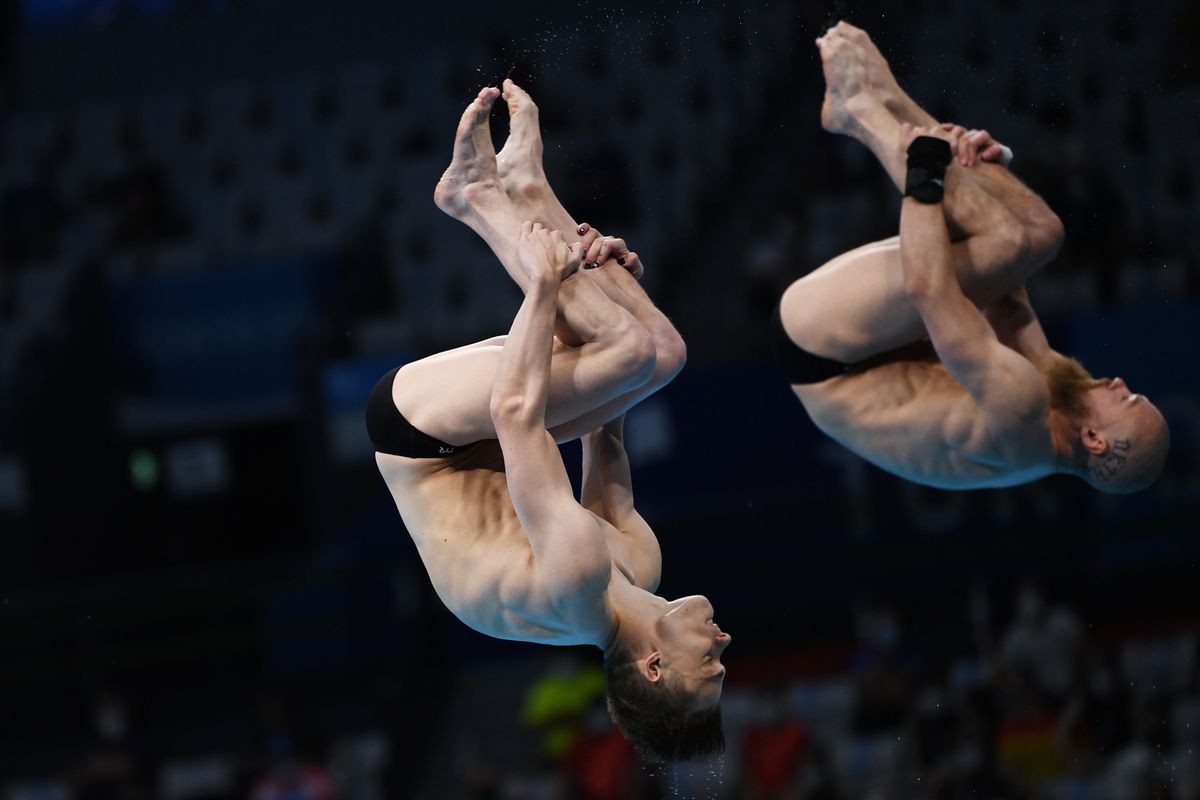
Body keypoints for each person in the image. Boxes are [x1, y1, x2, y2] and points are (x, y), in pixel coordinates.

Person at [367, 82, 729, 762]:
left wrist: (544, 288)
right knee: (663, 354)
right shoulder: (638, 565)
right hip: (485, 440)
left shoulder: (577, 582)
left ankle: (476, 198)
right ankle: (528, 190)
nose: (724, 645)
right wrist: (608, 277)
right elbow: (609, 424)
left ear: (654, 666)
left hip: (422, 436)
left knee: (625, 352)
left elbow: (514, 414)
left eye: (708, 666)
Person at [775, 22, 1168, 492]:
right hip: (881, 348)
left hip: (826, 351)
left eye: (1129, 400)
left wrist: (926, 170)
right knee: (1040, 235)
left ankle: (859, 107)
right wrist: (989, 166)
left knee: (1003, 239)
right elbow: (1008, 290)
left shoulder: (1021, 409)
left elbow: (929, 289)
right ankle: (887, 95)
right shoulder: (1054, 403)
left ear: (1094, 440)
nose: (1122, 383)